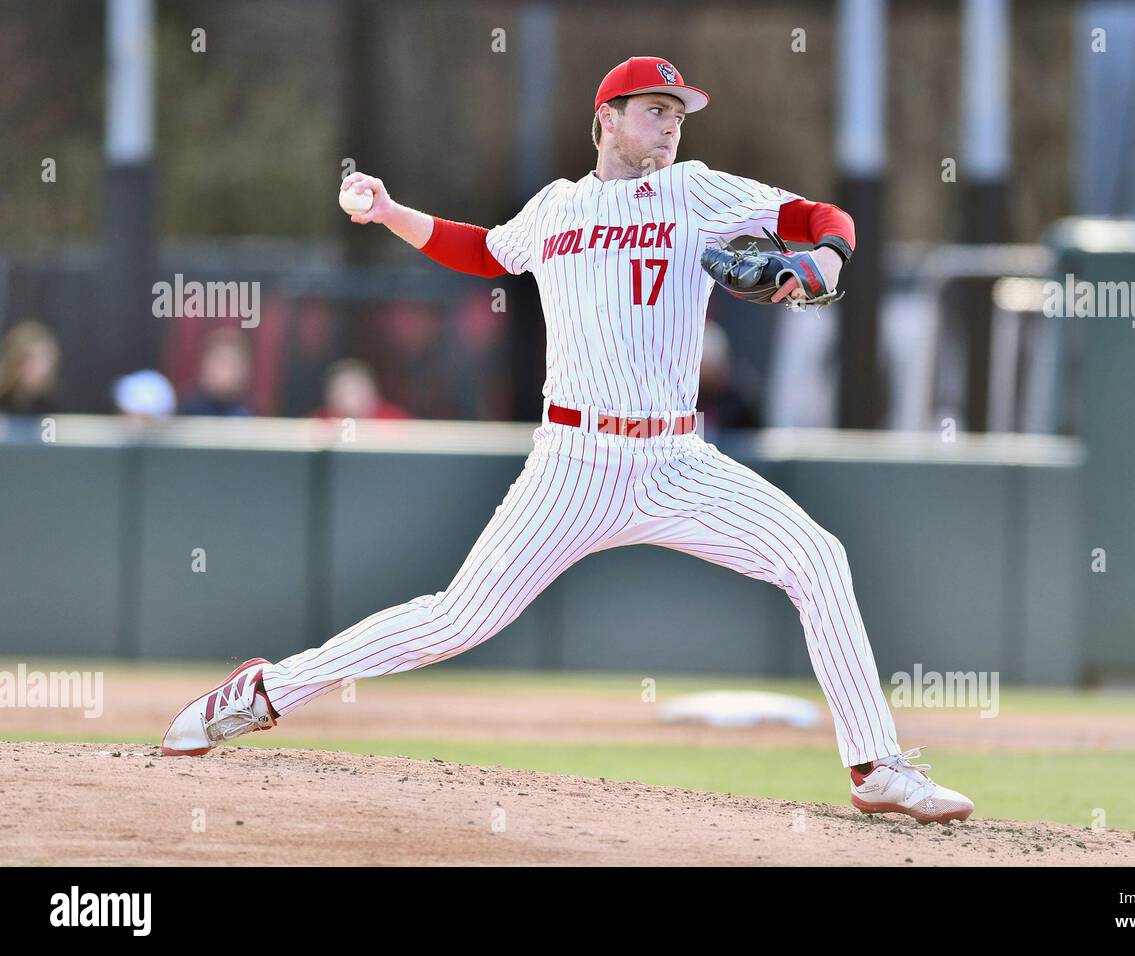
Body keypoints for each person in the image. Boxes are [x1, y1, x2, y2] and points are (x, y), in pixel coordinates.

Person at [162, 57, 973, 824]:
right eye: (655, 111)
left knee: (817, 557)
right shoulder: (556, 208)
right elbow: (483, 251)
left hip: (675, 460)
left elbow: (826, 218)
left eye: (678, 113)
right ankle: (265, 691)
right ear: (606, 120)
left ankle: (876, 769)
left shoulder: (696, 191)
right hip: (573, 464)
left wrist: (824, 260)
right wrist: (387, 211)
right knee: (455, 620)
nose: (671, 126)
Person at [180, 328, 253, 417]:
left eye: (231, 365)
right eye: (220, 363)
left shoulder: (252, 415)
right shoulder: (185, 408)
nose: (225, 372)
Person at [311, 358, 411, 421]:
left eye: (354, 392)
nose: (348, 400)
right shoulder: (319, 422)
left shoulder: (396, 421)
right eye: (341, 393)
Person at [0, 320, 60, 416]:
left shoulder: (54, 407)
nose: (42, 370)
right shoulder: (4, 403)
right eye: (34, 361)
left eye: (46, 362)